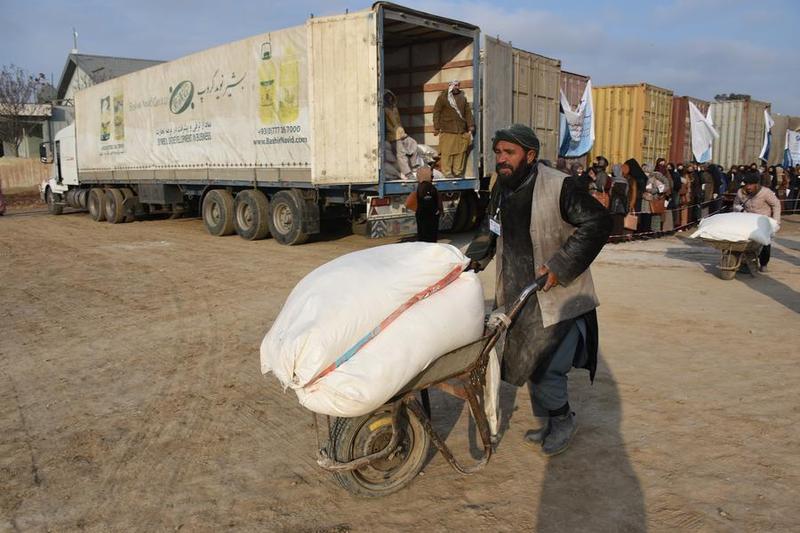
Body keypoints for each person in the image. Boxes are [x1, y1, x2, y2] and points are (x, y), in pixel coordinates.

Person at [466, 124, 611, 457]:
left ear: (530, 156)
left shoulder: (560, 186)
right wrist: (472, 262)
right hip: (520, 294)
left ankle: (562, 421)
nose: (501, 159)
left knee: (546, 365)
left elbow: (598, 222)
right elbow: (490, 232)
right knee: (528, 363)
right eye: (498, 152)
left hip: (557, 296)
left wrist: (559, 266)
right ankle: (554, 419)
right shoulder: (500, 188)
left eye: (509, 153)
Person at [734, 172, 781, 272]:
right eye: (746, 184)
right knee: (745, 242)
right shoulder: (740, 192)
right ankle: (744, 261)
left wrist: (776, 221)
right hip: (747, 220)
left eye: (750, 185)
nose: (748, 187)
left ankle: (764, 263)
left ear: (756, 184)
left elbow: (776, 204)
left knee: (765, 242)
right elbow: (735, 205)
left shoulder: (766, 192)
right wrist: (741, 210)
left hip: (763, 221)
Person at [433, 80, 474, 178]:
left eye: (458, 85)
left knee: (460, 153)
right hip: (447, 130)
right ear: (450, 86)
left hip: (460, 131)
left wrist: (470, 125)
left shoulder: (463, 98)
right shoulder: (443, 97)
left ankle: (457, 172)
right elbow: (436, 112)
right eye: (454, 85)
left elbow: (468, 113)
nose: (456, 87)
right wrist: (436, 127)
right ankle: (447, 173)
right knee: (447, 153)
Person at [383, 90, 418, 180]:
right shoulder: (383, 110)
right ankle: (407, 173)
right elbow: (385, 124)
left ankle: (414, 166)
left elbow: (398, 122)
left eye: (391, 96)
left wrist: (402, 131)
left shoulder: (394, 109)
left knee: (413, 144)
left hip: (401, 133)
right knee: (401, 154)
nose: (389, 98)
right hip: (393, 136)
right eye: (387, 97)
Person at [404, 167, 441, 242]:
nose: (432, 177)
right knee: (431, 237)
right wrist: (438, 212)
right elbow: (435, 201)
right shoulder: (431, 187)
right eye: (431, 175)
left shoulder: (419, 187)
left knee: (422, 236)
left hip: (422, 215)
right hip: (431, 217)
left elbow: (409, 202)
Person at [622, 159, 649, 233]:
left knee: (634, 215)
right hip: (637, 198)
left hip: (635, 199)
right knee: (636, 216)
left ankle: (632, 232)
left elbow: (636, 191)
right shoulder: (640, 176)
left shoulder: (635, 178)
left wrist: (632, 202)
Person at [608, 164, 629, 236]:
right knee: (620, 221)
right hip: (623, 203)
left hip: (615, 203)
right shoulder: (625, 181)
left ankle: (614, 236)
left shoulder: (614, 181)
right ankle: (618, 236)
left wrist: (612, 187)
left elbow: (612, 193)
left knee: (614, 221)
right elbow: (626, 193)